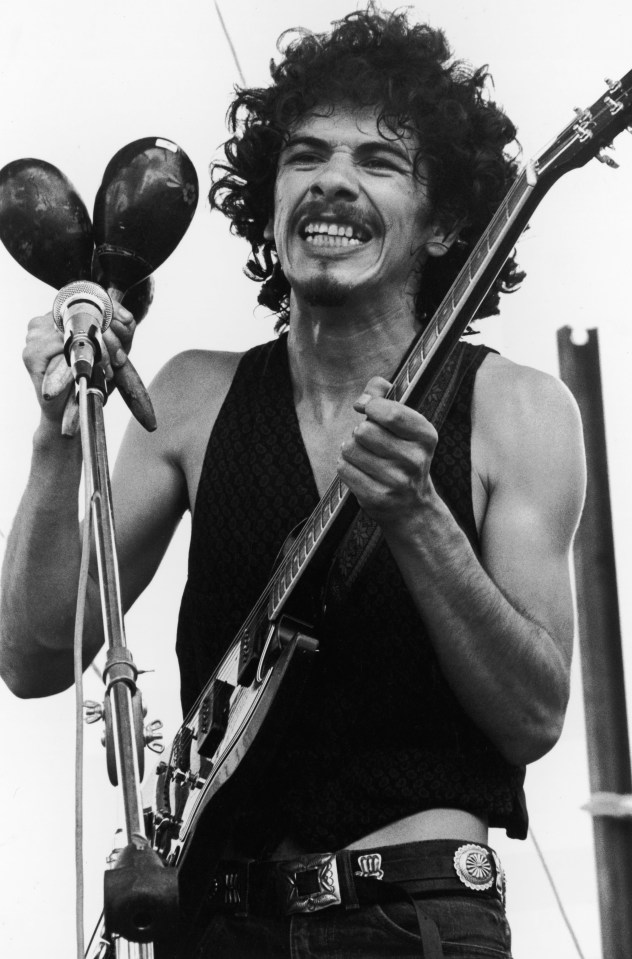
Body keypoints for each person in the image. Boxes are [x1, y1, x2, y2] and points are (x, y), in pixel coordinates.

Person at [0, 6, 586, 958]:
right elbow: (28, 656)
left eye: (379, 162)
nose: (333, 182)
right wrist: (56, 437)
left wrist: (419, 516)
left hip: (418, 916)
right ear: (268, 202)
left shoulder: (517, 411)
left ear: (443, 227)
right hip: (213, 919)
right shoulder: (191, 396)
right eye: (305, 155)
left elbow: (533, 716)